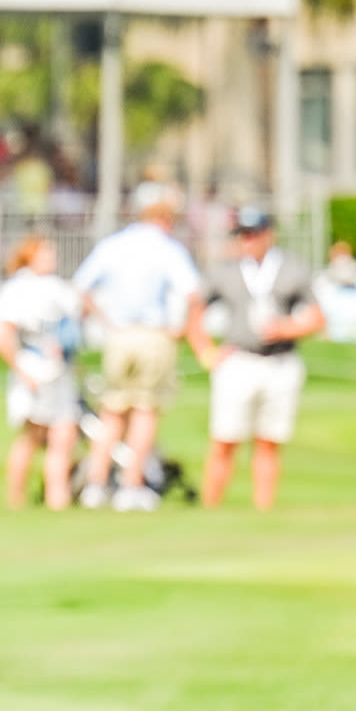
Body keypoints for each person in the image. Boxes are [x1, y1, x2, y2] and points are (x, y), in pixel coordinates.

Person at [187, 208, 325, 510]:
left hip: (279, 361)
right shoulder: (225, 270)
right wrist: (206, 353)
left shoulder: (291, 269)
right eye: (243, 234)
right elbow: (194, 311)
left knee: (269, 440)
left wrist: (288, 327)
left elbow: (317, 317)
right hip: (239, 360)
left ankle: (263, 511)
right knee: (225, 438)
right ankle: (210, 508)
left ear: (268, 234)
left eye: (254, 234)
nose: (248, 240)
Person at [72, 190, 201, 511]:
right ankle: (132, 485)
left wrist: (105, 322)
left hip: (118, 335)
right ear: (163, 218)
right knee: (145, 409)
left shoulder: (113, 244)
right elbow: (192, 293)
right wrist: (180, 329)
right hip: (151, 334)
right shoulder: (166, 247)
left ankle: (96, 485)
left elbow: (82, 287)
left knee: (112, 410)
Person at [0, 236, 81, 510]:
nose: (51, 257)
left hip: (60, 370)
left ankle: (58, 500)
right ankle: (15, 501)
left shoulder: (57, 287)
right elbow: (3, 336)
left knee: (64, 435)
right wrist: (21, 370)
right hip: (33, 367)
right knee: (32, 436)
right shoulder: (18, 288)